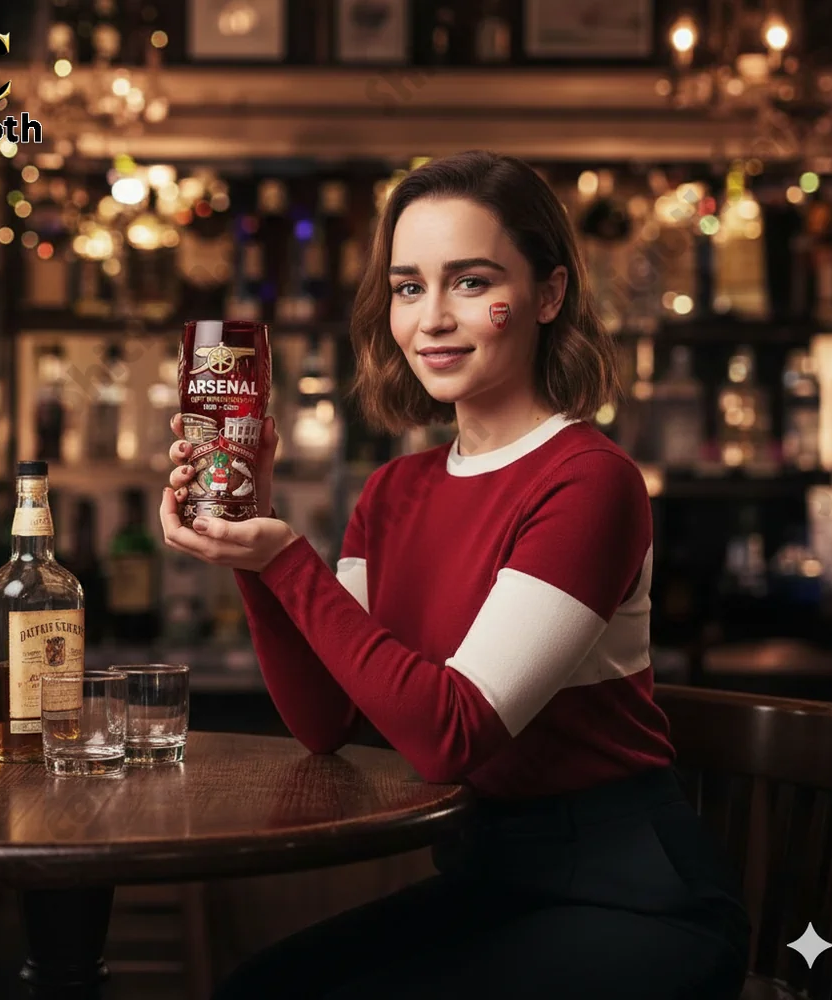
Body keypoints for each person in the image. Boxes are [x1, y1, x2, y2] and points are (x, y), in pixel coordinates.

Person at [159, 150, 751, 999]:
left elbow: (450, 734)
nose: (431, 318)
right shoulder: (393, 491)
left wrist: (287, 562)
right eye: (407, 287)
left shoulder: (589, 481)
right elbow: (327, 721)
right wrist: (248, 551)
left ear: (548, 296)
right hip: (492, 885)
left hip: (635, 901)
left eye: (470, 283)